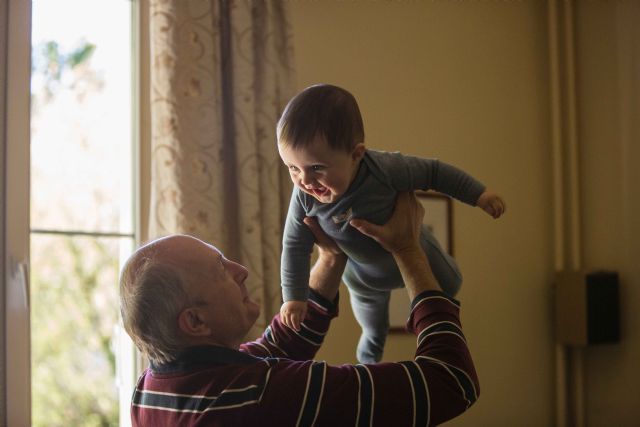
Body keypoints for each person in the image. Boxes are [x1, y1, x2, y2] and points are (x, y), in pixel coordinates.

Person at [120, 192, 480, 426]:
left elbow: (276, 347)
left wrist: (331, 257)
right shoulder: (265, 396)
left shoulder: (152, 390)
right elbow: (450, 381)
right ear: (195, 321)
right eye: (221, 271)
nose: (241, 271)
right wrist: (408, 250)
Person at [278, 84, 505, 362]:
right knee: (373, 328)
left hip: (415, 248)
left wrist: (479, 195)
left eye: (317, 168)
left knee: (451, 284)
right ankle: (368, 363)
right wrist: (294, 297)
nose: (305, 181)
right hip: (363, 278)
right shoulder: (303, 197)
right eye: (292, 168)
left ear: (356, 155)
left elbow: (434, 172)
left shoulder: (385, 169)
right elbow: (294, 246)